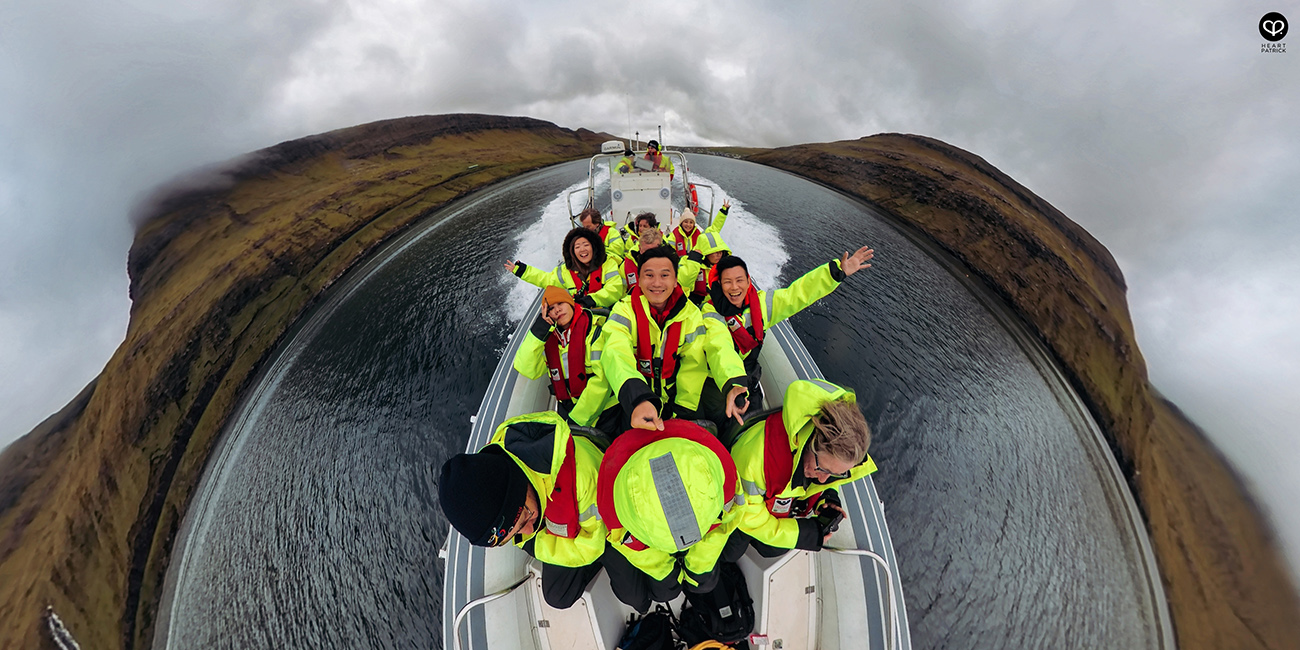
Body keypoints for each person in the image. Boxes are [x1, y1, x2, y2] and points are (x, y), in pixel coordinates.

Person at [439, 411, 608, 609]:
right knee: (557, 595)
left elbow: (592, 547)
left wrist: (539, 541)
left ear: (519, 485)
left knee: (635, 594)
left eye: (523, 519)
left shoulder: (581, 479)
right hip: (563, 518)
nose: (527, 532)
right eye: (514, 534)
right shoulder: (503, 471)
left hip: (604, 522)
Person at [701, 245, 874, 411]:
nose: (734, 287)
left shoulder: (763, 305)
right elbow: (719, 347)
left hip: (749, 379)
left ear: (748, 281)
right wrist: (734, 382)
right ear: (719, 285)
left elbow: (798, 293)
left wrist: (836, 273)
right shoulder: (711, 313)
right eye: (727, 282)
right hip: (720, 382)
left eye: (739, 280)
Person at [720, 380, 876, 562]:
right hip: (736, 509)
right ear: (808, 444)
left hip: (773, 503)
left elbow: (821, 476)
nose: (824, 479)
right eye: (823, 470)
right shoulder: (756, 459)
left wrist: (826, 496)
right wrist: (801, 535)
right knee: (730, 553)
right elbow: (746, 514)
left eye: (835, 474)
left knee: (771, 548)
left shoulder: (816, 460)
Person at [597, 419, 745, 610]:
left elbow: (723, 523)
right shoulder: (611, 502)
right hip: (640, 450)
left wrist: (698, 567)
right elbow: (630, 545)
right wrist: (665, 571)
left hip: (683, 448)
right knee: (667, 590)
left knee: (694, 584)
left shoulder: (723, 473)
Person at [601, 246, 750, 432]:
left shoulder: (691, 315)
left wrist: (731, 383)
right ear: (638, 281)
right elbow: (616, 351)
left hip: (679, 401)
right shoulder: (623, 311)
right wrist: (637, 398)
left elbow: (700, 359)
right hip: (635, 399)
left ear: (675, 281)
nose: (657, 283)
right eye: (649, 275)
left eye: (664, 275)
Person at [513, 286, 620, 433]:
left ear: (570, 303)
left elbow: (602, 381)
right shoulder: (548, 341)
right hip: (568, 409)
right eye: (551, 308)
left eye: (560, 304)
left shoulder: (596, 333)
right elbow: (525, 368)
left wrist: (576, 420)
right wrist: (538, 331)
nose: (557, 310)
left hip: (606, 410)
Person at [505, 227, 624, 308]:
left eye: (586, 245)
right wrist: (522, 271)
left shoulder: (608, 263)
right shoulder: (565, 272)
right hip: (584, 317)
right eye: (577, 247)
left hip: (609, 311)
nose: (582, 250)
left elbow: (615, 289)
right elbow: (545, 279)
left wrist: (590, 300)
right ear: (572, 252)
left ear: (594, 247)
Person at [677, 230, 733, 305]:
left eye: (721, 251)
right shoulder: (687, 262)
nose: (719, 254)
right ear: (705, 252)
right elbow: (684, 284)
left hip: (718, 305)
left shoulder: (727, 266)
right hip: (695, 305)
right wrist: (694, 262)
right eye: (715, 251)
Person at [618, 227, 664, 294]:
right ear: (640, 248)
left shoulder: (669, 266)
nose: (650, 254)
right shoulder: (625, 267)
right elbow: (622, 294)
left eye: (654, 251)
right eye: (647, 251)